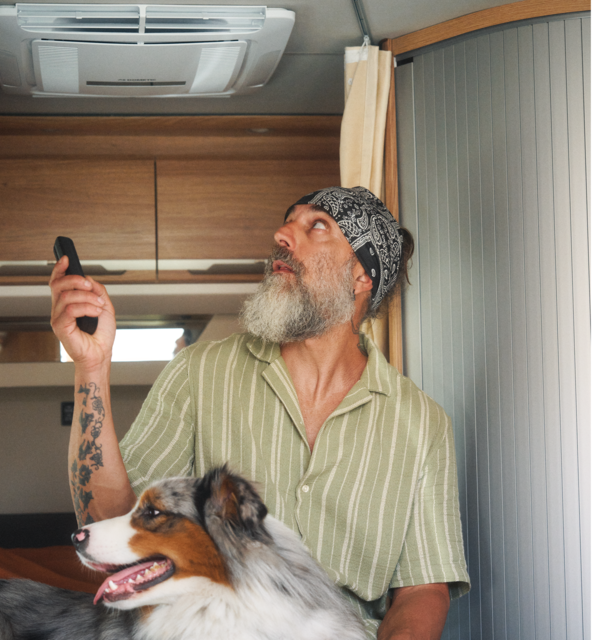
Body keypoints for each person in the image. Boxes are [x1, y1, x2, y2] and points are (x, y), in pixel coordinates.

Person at [50, 186, 469, 639]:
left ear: (361, 277)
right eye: (288, 220)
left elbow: (422, 590)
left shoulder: (422, 424)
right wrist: (91, 366)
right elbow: (112, 517)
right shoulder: (199, 372)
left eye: (317, 226)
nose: (281, 234)